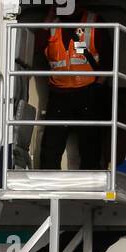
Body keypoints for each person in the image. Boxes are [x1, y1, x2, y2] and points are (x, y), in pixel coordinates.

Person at [40, 23, 104, 170]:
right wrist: (47, 20)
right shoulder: (51, 26)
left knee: (90, 144)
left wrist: (98, 87)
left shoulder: (93, 23)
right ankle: (48, 183)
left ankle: (90, 183)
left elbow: (108, 59)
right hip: (58, 94)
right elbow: (35, 45)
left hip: (88, 92)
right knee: (51, 145)